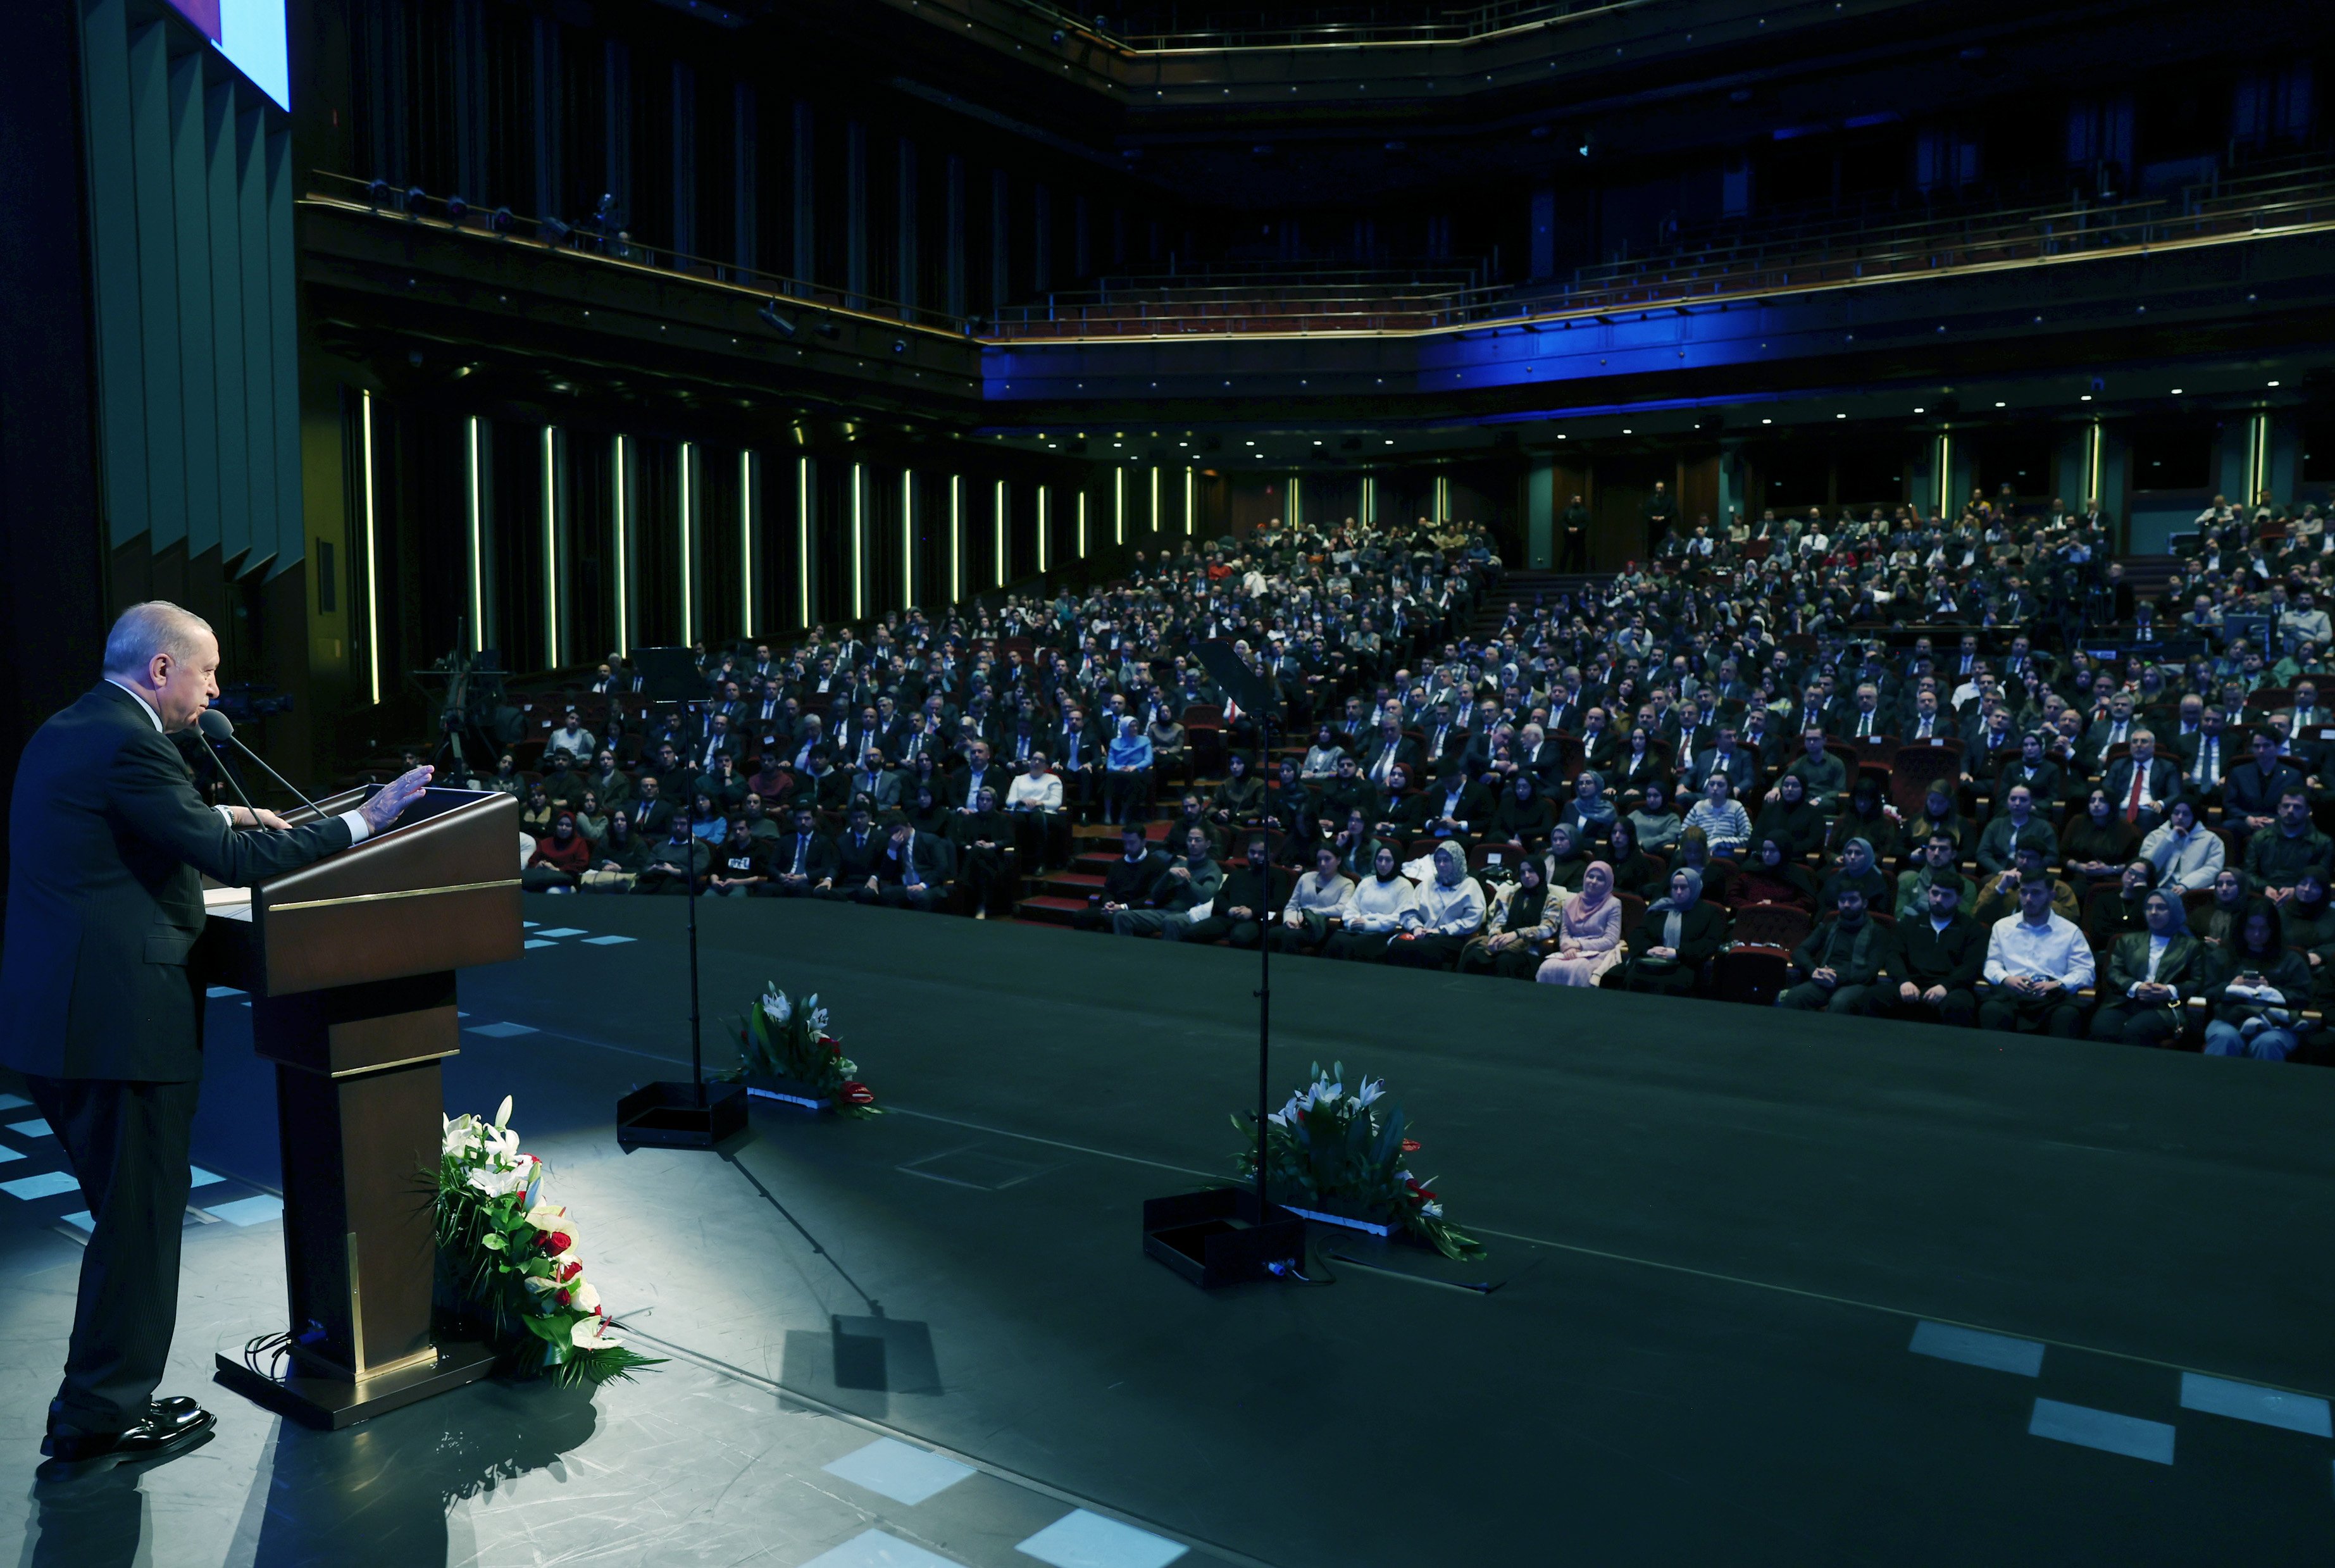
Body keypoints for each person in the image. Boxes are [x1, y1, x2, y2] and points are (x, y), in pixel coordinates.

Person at [2, 602, 431, 1465]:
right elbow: (230, 867)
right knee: (140, 1224)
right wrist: (366, 821)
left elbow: (139, 828)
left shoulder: (71, 726)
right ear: (162, 669)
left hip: (59, 1021)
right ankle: (99, 1414)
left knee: (128, 1220)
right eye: (208, 672)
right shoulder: (131, 741)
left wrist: (231, 816)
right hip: (120, 1029)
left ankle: (101, 1399)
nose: (215, 691)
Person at [1979, 876, 2096, 1036]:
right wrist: (2006, 979)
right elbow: (1993, 963)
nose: (2028, 899)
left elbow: (2085, 972)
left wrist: (2058, 984)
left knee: (2067, 1015)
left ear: (2051, 896)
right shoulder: (2003, 927)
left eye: (2036, 893)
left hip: (2053, 996)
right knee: (1992, 1009)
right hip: (2012, 993)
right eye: (2024, 892)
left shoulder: (2070, 931)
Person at [2200, 900, 2314, 1059]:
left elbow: (2303, 998)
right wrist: (2230, 987)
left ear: (2273, 929)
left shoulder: (2291, 960)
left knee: (2268, 1043)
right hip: (2228, 1019)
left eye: (2264, 929)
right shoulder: (2222, 956)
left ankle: (2265, 1085)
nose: (2257, 935)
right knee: (2225, 1038)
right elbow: (2206, 994)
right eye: (2251, 928)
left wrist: (2272, 991)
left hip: (2277, 1024)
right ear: (2242, 927)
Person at [2088, 891, 2205, 1047]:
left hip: (2165, 1007)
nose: (2153, 912)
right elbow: (2113, 973)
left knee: (2136, 1030)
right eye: (2149, 907)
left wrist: (2169, 990)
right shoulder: (2128, 941)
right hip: (2126, 1001)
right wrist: (2136, 987)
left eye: (2161, 907)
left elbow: (2198, 982)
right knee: (2102, 1027)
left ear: (2174, 911)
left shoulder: (2191, 946)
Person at [1876, 880, 1985, 1028]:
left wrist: (1946, 986)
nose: (1938, 899)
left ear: (1958, 900)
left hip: (1951, 988)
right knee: (1875, 996)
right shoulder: (1910, 924)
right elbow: (1893, 955)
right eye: (1935, 893)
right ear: (1928, 894)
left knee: (1959, 1004)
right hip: (1911, 984)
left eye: (1946, 895)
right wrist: (1903, 981)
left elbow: (1973, 965)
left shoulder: (1972, 929)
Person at [1779, 887, 1888, 1014]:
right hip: (1826, 979)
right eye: (1842, 900)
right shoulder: (1829, 927)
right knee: (1794, 996)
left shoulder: (1878, 933)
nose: (1846, 904)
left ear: (1864, 903)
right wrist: (1814, 970)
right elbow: (1800, 951)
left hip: (1857, 984)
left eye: (1853, 900)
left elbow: (1870, 972)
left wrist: (1836, 978)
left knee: (1840, 1002)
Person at [1622, 868, 1727, 995]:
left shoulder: (1709, 913)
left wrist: (1677, 953)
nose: (1678, 892)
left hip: (1686, 964)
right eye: (1675, 887)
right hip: (1652, 962)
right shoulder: (1660, 908)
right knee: (1633, 977)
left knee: (1675, 983)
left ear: (1694, 888)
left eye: (1683, 887)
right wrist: (1648, 950)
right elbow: (1639, 934)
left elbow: (1710, 944)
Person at [1169, 836, 1286, 949]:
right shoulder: (1237, 874)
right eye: (1252, 852)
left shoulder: (1277, 875)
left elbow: (1278, 902)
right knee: (1192, 932)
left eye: (1261, 853)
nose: (1255, 856)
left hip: (1254, 920)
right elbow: (1220, 898)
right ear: (1247, 853)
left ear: (1269, 855)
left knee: (1240, 936)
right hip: (1228, 916)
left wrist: (1252, 911)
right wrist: (1229, 909)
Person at [1384, 843, 1486, 969]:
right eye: (1438, 861)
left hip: (1452, 937)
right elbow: (1409, 911)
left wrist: (1441, 930)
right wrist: (1416, 927)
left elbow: (1473, 920)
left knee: (1427, 949)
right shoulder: (1427, 883)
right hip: (1423, 933)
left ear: (1457, 861)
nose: (1441, 865)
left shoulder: (1470, 885)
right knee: (1397, 945)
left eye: (1446, 860)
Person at [1111, 825, 1223, 939]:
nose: (1193, 843)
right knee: (1122, 917)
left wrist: (1189, 880)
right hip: (1167, 912)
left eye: (1198, 840)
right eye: (1190, 840)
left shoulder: (1212, 869)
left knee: (1171, 921)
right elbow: (1155, 895)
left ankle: (1167, 957)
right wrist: (1168, 876)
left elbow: (1206, 896)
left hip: (1191, 915)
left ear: (1208, 844)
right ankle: (1126, 955)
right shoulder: (1180, 864)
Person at [1458, 857, 1553, 978]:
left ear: (1540, 872)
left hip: (1528, 948)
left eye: (1531, 871)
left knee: (1505, 961)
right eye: (1523, 872)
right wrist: (1495, 936)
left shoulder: (1551, 900)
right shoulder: (1510, 895)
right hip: (1502, 942)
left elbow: (1548, 928)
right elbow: (1498, 921)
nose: (1527, 876)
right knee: (1473, 955)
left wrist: (1517, 934)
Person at [1324, 843, 1420, 961]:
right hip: (1357, 929)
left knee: (1357, 945)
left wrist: (1369, 925)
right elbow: (1351, 907)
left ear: (1396, 862)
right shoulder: (1366, 882)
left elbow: (1400, 917)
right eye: (1380, 859)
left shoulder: (1404, 886)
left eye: (1388, 860)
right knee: (1336, 940)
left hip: (1383, 933)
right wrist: (1352, 922)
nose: (1383, 864)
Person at [1536, 860, 1623, 986]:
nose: (1593, 882)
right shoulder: (1570, 902)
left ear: (1608, 882)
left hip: (1599, 953)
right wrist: (1568, 947)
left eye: (1600, 879)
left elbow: (1611, 940)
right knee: (1546, 967)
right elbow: (1564, 935)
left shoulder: (1613, 904)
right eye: (1590, 876)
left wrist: (1579, 945)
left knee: (1578, 968)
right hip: (1570, 951)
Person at [1273, 843, 1356, 954]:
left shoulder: (1346, 884)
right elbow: (1292, 905)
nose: (1322, 863)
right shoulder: (1306, 877)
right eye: (1319, 860)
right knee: (1272, 934)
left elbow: (1342, 909)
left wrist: (1310, 913)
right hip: (1299, 922)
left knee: (1291, 937)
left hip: (1322, 926)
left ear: (1339, 860)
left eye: (1327, 859)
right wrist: (1290, 920)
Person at [2137, 799, 2224, 892]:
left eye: (2186, 814)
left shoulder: (2211, 840)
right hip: (2158, 889)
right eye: (2176, 813)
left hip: (2193, 890)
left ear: (2194, 816)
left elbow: (2213, 869)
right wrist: (2169, 840)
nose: (2180, 817)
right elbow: (2146, 867)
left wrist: (2186, 885)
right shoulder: (2156, 836)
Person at [1103, 714, 1154, 825]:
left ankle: (1124, 814)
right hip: (1118, 770)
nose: (1135, 729)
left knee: (1132, 778)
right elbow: (1110, 763)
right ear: (1124, 728)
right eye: (1131, 727)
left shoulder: (1145, 740)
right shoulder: (1115, 742)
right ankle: (1108, 813)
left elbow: (1148, 759)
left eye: (1136, 726)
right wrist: (1120, 768)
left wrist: (1134, 767)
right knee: (1109, 777)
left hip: (1136, 770)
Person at [523, 811, 591, 892]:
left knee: (553, 891)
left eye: (568, 825)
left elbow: (582, 865)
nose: (564, 828)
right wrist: (538, 865)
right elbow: (532, 861)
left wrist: (557, 869)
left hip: (566, 882)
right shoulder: (545, 843)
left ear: (573, 828)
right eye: (561, 824)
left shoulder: (579, 843)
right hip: (541, 880)